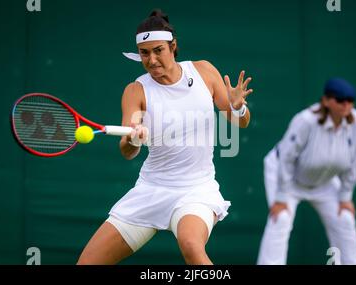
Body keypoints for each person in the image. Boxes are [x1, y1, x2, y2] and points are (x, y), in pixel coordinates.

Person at [77, 9, 253, 265]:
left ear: (173, 47)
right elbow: (127, 150)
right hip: (150, 190)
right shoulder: (136, 90)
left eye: (158, 50)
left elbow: (241, 122)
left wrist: (238, 107)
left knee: (192, 247)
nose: (151, 60)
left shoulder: (203, 72)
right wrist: (134, 138)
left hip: (196, 190)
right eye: (144, 53)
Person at [257, 78, 356, 265]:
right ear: (326, 101)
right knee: (280, 219)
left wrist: (345, 196)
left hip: (325, 182)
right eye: (340, 100)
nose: (346, 105)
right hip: (287, 179)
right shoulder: (305, 120)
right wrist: (281, 196)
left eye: (350, 100)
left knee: (345, 219)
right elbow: (286, 157)